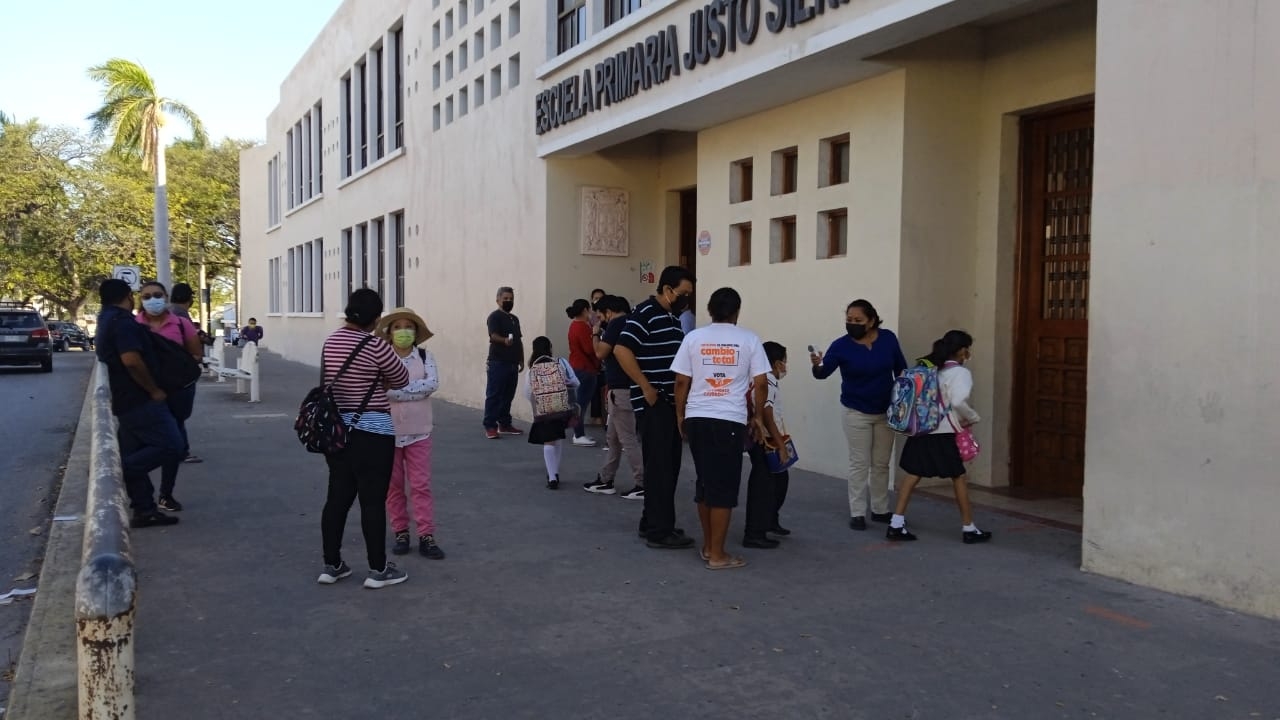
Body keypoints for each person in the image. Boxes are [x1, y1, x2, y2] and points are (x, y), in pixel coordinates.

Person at [318, 289, 412, 589]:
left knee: (337, 499)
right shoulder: (376, 346)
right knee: (372, 502)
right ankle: (378, 569)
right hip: (374, 432)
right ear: (375, 317)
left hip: (337, 431)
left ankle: (331, 565)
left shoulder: (331, 342)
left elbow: (328, 379)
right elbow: (402, 378)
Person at [672, 288, 770, 570]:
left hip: (697, 417)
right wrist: (759, 418)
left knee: (705, 483)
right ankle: (718, 555)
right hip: (728, 419)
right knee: (723, 488)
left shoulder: (693, 337)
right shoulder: (749, 339)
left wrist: (681, 415)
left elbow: (681, 381)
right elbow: (761, 383)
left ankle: (707, 546)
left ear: (709, 309)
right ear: (737, 311)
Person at [614, 265, 696, 550]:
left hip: (669, 403)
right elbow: (621, 349)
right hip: (655, 401)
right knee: (661, 466)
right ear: (667, 289)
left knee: (667, 464)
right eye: (683, 293)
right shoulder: (645, 313)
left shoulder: (672, 318)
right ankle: (660, 531)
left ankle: (652, 521)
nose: (686, 298)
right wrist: (646, 387)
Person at [887, 330, 993, 544]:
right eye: (967, 349)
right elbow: (958, 402)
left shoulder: (930, 366)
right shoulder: (961, 373)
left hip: (922, 427)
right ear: (962, 350)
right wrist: (973, 417)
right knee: (958, 476)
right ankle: (968, 527)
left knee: (913, 474)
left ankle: (896, 523)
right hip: (943, 431)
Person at [811, 299, 908, 531]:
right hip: (856, 411)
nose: (852, 324)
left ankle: (880, 509)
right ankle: (857, 512)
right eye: (849, 320)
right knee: (859, 463)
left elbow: (901, 370)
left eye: (858, 320)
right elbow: (822, 374)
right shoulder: (841, 346)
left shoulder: (888, 339)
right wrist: (816, 364)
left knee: (881, 463)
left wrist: (905, 402)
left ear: (872, 320)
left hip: (886, 412)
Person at [93, 279, 182, 528]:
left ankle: (144, 508)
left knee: (135, 449)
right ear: (129, 297)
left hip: (126, 399)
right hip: (139, 399)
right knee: (172, 447)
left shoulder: (105, 319)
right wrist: (153, 390)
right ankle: (114, 474)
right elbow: (131, 360)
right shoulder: (122, 322)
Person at [377, 307, 446, 560]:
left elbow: (432, 384)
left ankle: (426, 534)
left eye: (408, 326)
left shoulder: (426, 356)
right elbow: (380, 390)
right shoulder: (382, 358)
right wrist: (409, 391)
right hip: (388, 431)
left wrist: (398, 388)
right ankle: (401, 531)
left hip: (420, 430)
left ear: (415, 332)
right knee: (393, 487)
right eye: (397, 327)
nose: (403, 331)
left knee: (421, 485)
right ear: (389, 332)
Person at [135, 281, 205, 511]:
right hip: (145, 393)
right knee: (139, 444)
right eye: (147, 296)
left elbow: (196, 354)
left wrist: (173, 369)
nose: (153, 299)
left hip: (176, 392)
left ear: (165, 297)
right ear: (140, 299)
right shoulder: (133, 325)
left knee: (173, 442)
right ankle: (139, 494)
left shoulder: (182, 324)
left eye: (157, 295)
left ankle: (166, 494)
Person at [584, 295, 644, 499]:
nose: (601, 320)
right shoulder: (634, 322)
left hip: (621, 389)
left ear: (609, 311)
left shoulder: (617, 323)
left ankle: (642, 482)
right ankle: (605, 478)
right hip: (626, 388)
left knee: (627, 438)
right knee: (614, 438)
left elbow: (600, 352)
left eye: (601, 316)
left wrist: (594, 334)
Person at [743, 341, 792, 548]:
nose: (786, 367)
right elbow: (768, 414)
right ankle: (756, 531)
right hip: (766, 440)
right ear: (776, 363)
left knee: (779, 480)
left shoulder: (761, 380)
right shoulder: (767, 383)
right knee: (765, 484)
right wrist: (780, 444)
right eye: (784, 362)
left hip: (767, 437)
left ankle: (770, 520)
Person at [523, 336, 580, 490]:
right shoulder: (560, 362)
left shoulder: (532, 368)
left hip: (543, 409)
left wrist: (540, 400)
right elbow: (576, 382)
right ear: (550, 348)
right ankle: (554, 473)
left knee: (548, 440)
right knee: (557, 438)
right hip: (560, 407)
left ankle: (552, 476)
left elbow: (527, 392)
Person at [166, 282, 206, 465]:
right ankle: (180, 450)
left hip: (169, 372)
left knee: (174, 415)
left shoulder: (168, 312)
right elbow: (193, 347)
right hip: (181, 373)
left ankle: (177, 448)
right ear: (190, 298)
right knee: (179, 415)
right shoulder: (181, 316)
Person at [483, 286, 524, 439]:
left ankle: (504, 424)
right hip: (498, 362)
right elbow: (493, 336)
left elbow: (518, 340)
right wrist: (504, 340)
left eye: (511, 299)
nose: (508, 301)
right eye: (505, 299)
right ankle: (490, 426)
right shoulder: (494, 317)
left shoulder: (514, 318)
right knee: (494, 395)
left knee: (508, 395)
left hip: (512, 363)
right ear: (498, 300)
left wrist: (521, 359)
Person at [565, 299, 600, 447]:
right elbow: (590, 349)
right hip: (585, 368)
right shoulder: (583, 328)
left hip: (577, 367)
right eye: (590, 310)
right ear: (585, 310)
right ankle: (578, 434)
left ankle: (579, 433)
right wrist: (596, 334)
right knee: (582, 403)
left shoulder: (574, 325)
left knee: (579, 402)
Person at [587, 288, 608, 426]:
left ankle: (606, 418)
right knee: (594, 389)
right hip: (594, 359)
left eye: (600, 298)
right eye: (595, 298)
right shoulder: (590, 318)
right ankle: (596, 416)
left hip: (605, 357)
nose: (597, 300)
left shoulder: (607, 316)